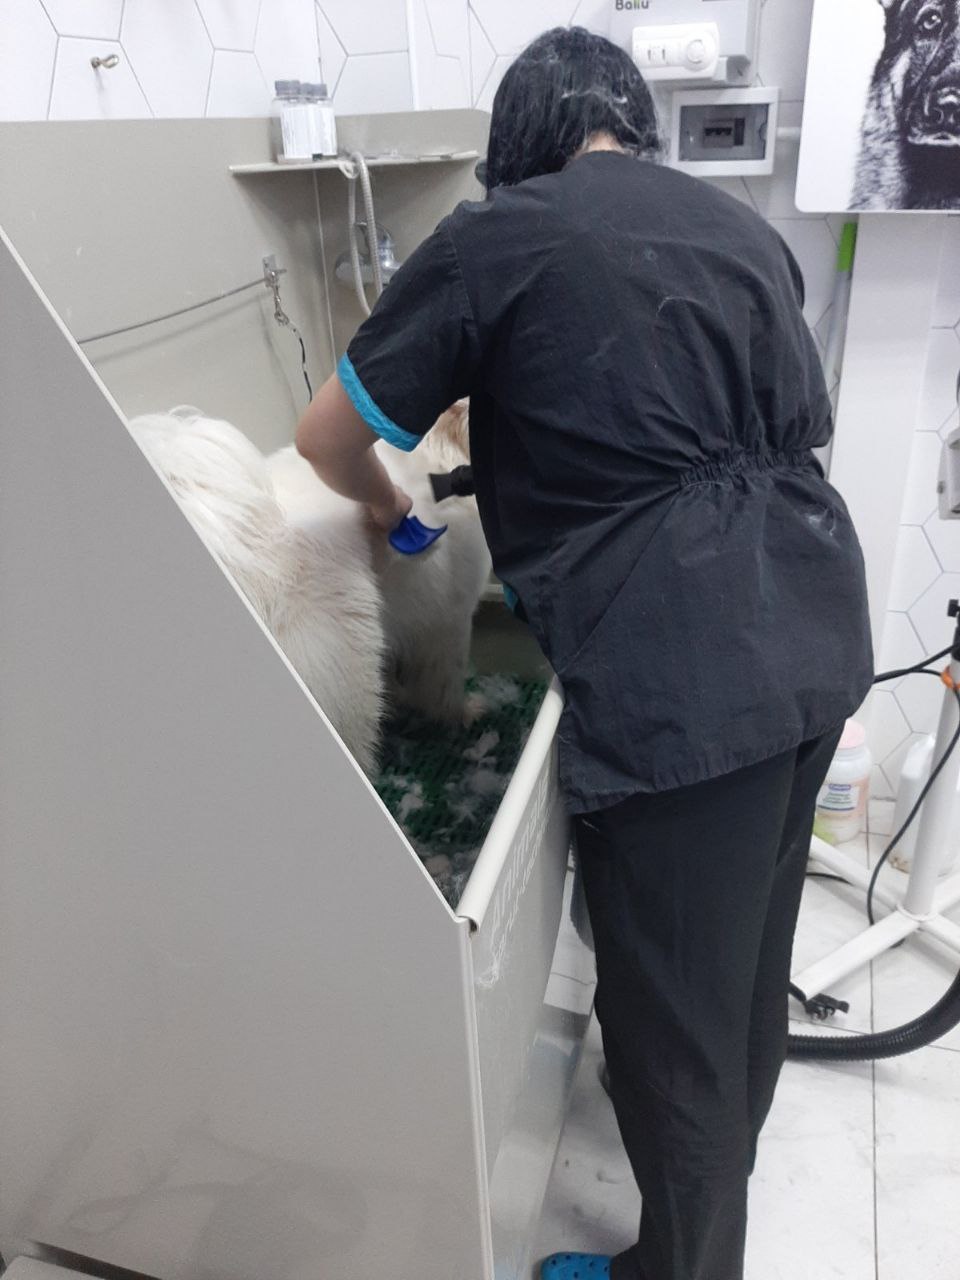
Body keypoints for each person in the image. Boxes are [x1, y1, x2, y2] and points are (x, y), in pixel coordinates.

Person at [294, 26, 874, 1280]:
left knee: (674, 1031)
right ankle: (704, 1194)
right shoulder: (741, 229)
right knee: (745, 975)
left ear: (516, 145)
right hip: (819, 621)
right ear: (633, 126)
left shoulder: (497, 236)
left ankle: (679, 1264)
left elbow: (325, 437)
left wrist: (391, 511)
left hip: (689, 671)